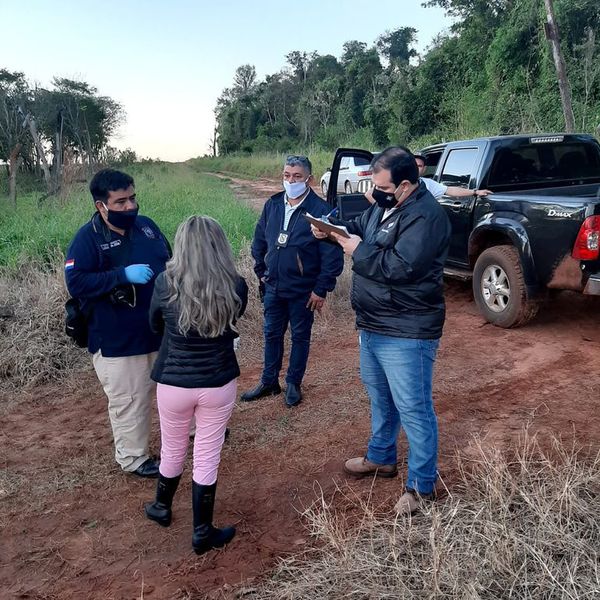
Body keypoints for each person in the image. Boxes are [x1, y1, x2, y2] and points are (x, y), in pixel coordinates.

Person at [312, 147, 451, 515]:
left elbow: (400, 267)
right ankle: (382, 457)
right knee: (381, 397)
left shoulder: (426, 216)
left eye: (383, 187)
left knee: (414, 408)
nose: (376, 193)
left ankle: (422, 486)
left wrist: (356, 251)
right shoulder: (383, 207)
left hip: (408, 329)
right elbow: (358, 229)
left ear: (405, 185)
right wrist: (329, 233)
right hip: (373, 323)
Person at [144, 215, 248, 555]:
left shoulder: (164, 283)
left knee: (172, 449)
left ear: (181, 245)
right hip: (217, 382)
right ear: (220, 245)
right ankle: (202, 531)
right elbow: (233, 320)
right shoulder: (235, 284)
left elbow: (154, 324)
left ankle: (161, 507)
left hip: (173, 382)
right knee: (206, 455)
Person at [65, 169, 171, 478]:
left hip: (159, 329)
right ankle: (134, 458)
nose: (130, 207)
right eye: (121, 201)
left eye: (132, 198)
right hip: (117, 338)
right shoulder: (88, 239)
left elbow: (169, 260)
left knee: (174, 385)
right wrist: (121, 276)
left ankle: (188, 432)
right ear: (101, 205)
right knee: (131, 399)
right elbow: (77, 282)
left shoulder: (147, 228)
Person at [240, 155, 344, 407]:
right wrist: (261, 272)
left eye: (297, 176)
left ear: (309, 178)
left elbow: (331, 254)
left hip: (303, 290)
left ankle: (293, 383)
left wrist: (321, 289)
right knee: (272, 333)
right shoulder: (273, 204)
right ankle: (269, 381)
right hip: (273, 285)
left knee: (300, 336)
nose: (291, 180)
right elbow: (259, 241)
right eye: (287, 175)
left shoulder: (321, 210)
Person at [414, 154, 492, 199]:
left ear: (424, 169)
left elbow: (450, 190)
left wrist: (476, 192)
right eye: (413, 165)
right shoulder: (401, 182)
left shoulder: (428, 184)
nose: (415, 168)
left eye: (419, 166)